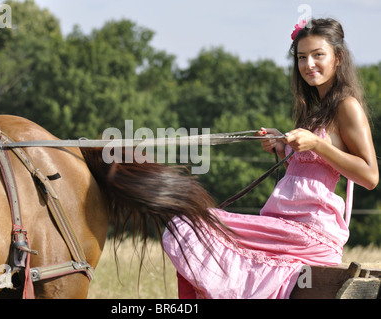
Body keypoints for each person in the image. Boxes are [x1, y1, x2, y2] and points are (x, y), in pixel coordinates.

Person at [162, 18, 379, 299]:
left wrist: (316, 144)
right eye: (302, 57)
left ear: (338, 58)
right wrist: (283, 148)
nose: (308, 64)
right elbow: (309, 174)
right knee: (189, 223)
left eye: (318, 55)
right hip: (283, 223)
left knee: (195, 224)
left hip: (311, 231)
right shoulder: (315, 110)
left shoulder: (347, 106)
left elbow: (370, 176)